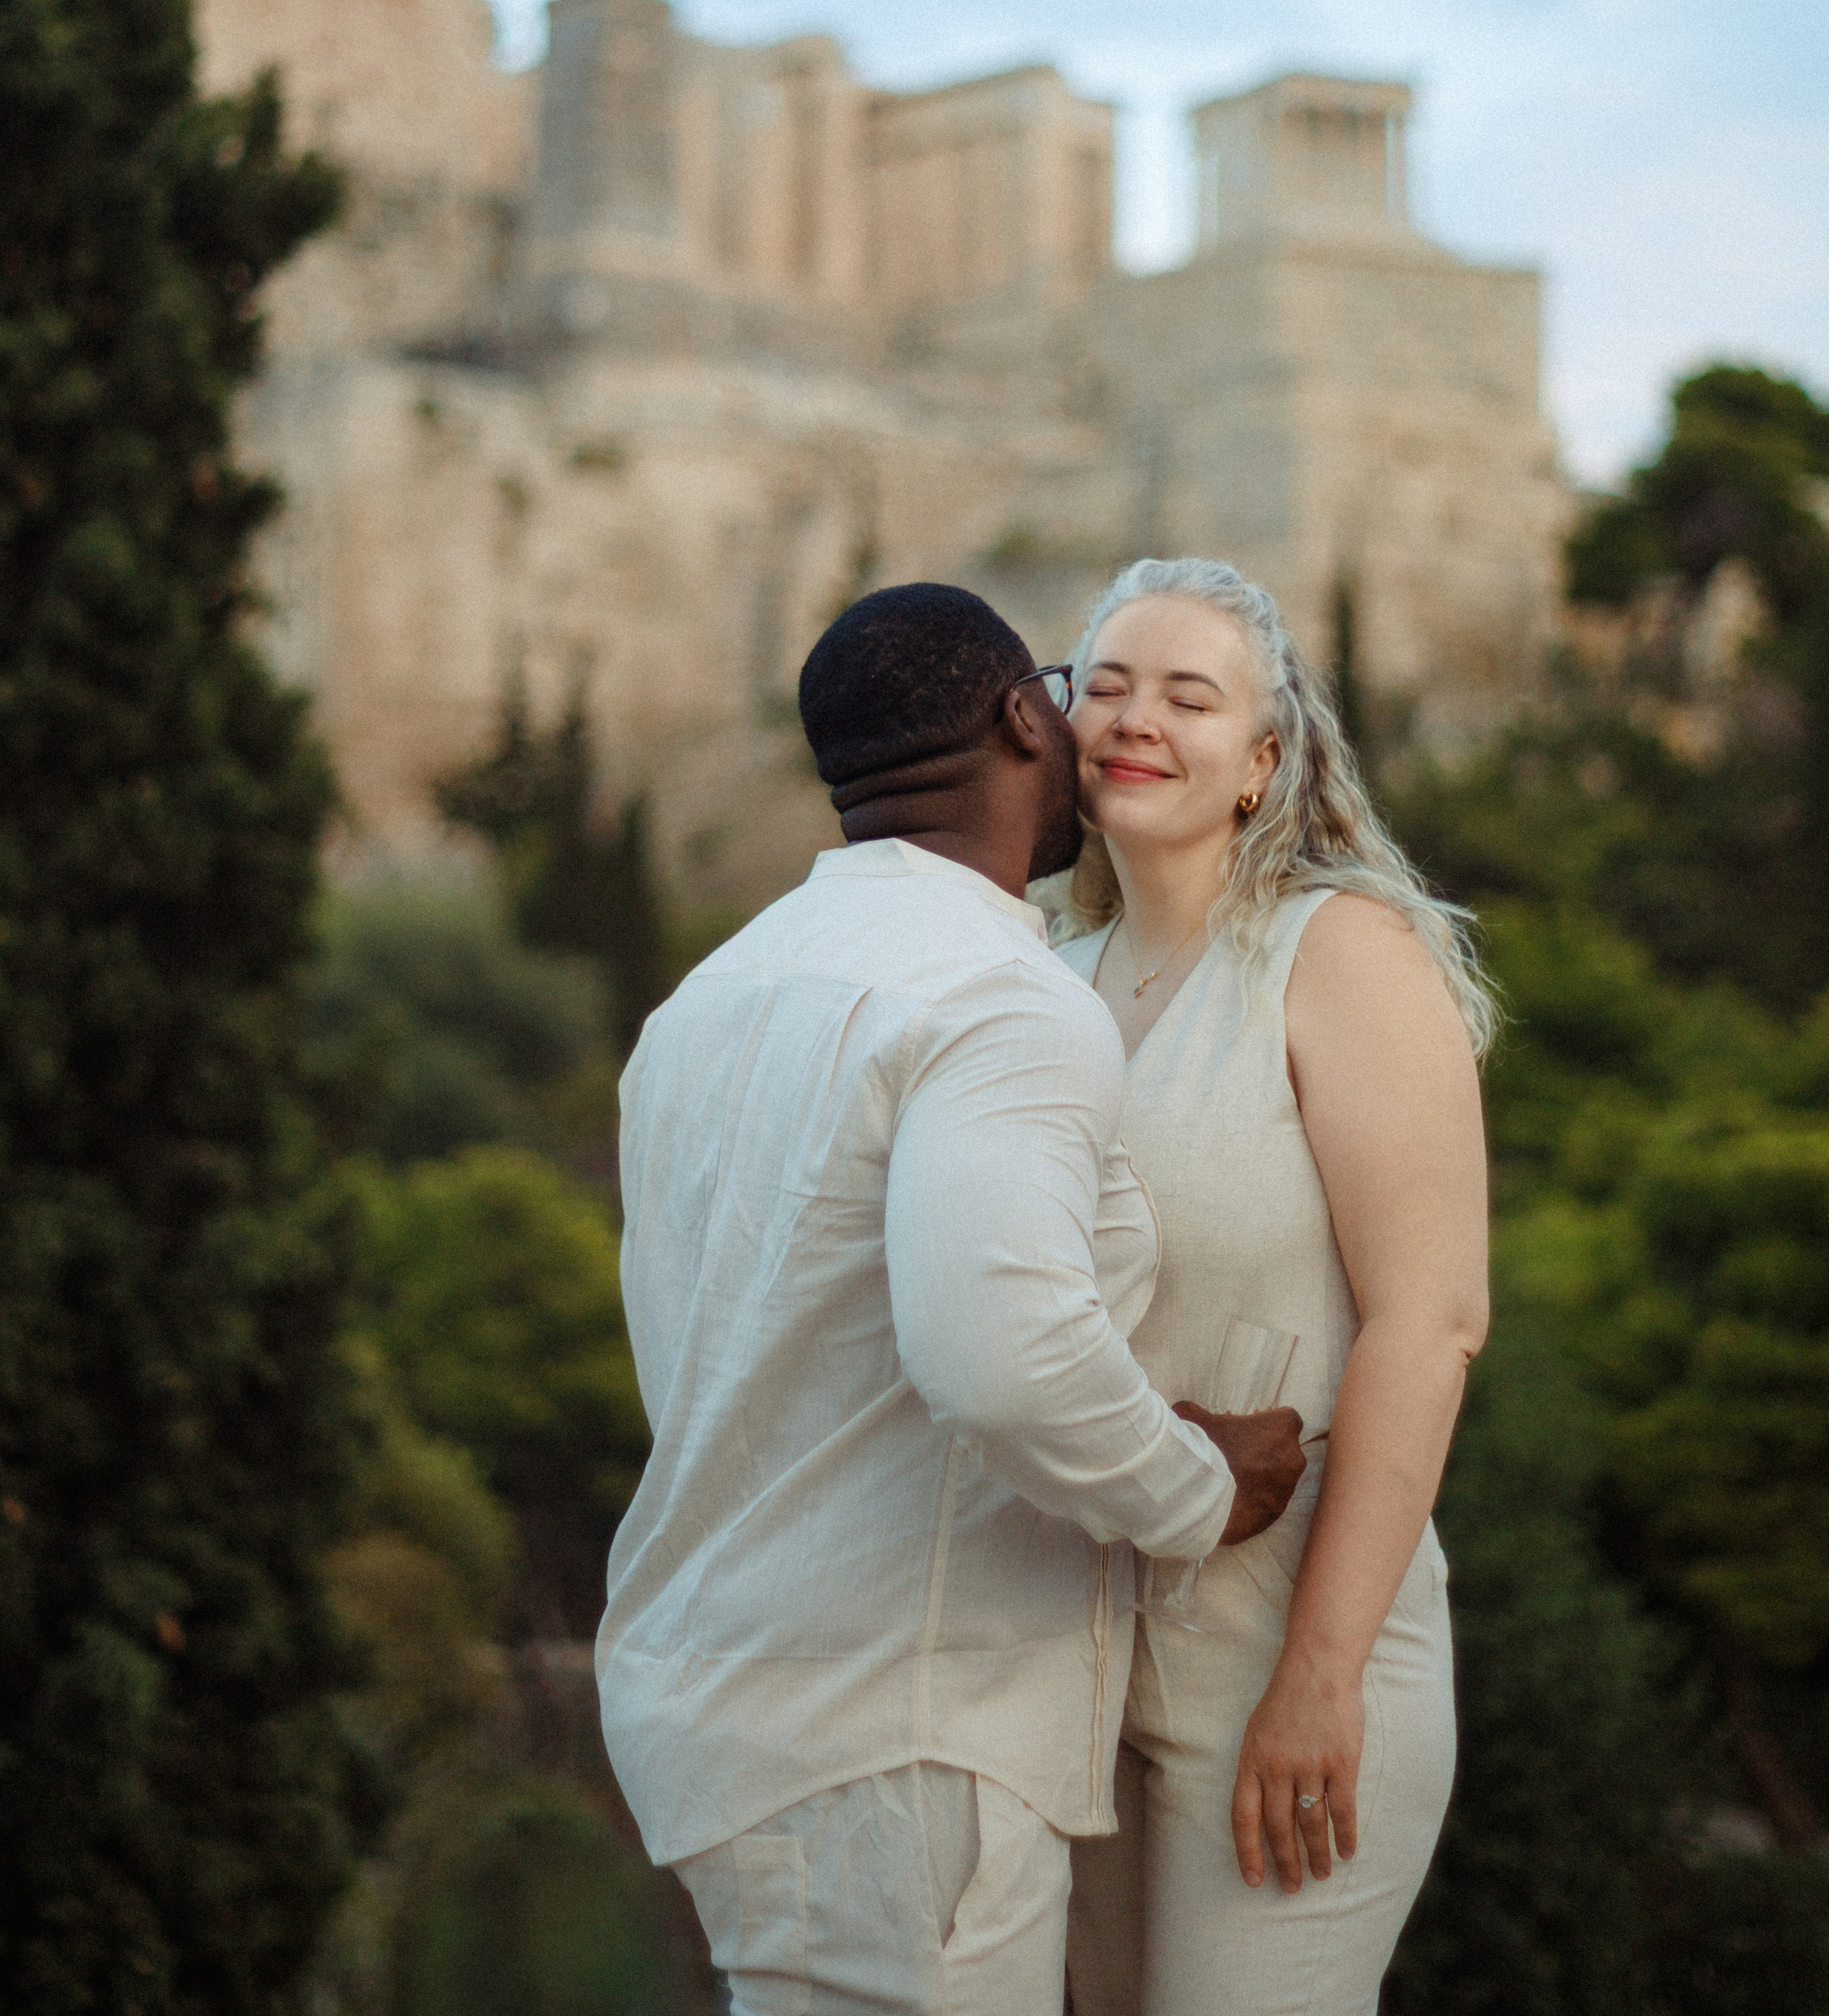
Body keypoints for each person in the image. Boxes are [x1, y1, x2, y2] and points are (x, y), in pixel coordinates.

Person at [597, 582, 1307, 2016]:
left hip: (727, 1706)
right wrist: (1195, 1489)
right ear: (1018, 718)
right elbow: (996, 1354)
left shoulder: (706, 1004)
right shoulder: (999, 998)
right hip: (895, 1737)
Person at [1051, 558, 1492, 2016]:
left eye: (1187, 696)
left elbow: (1429, 1326)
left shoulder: (1336, 953)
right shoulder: (1044, 979)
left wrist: (1320, 1675)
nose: (1132, 719)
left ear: (1260, 763)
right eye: (1103, 685)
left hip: (1284, 1656)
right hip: (1067, 1667)